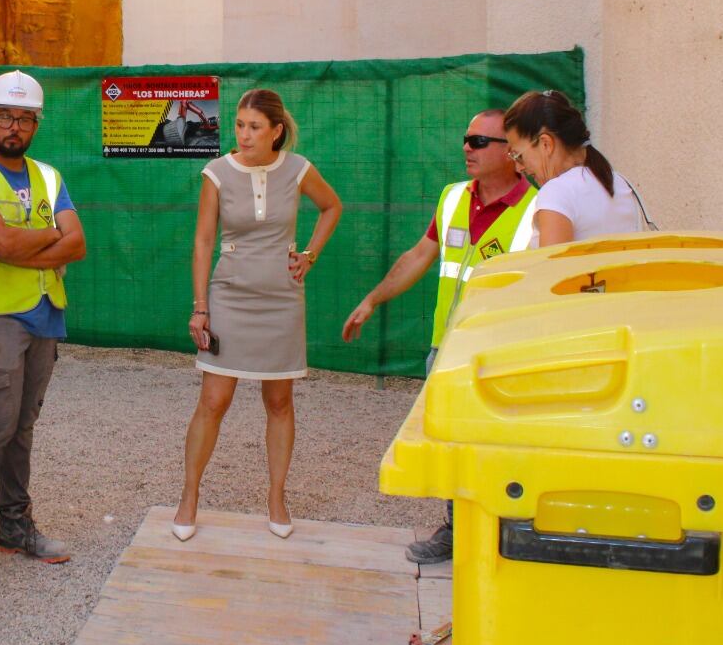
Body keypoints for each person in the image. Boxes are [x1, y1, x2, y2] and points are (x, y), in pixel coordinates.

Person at [405, 88, 643, 645]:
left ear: (544, 142)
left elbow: (549, 296)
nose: (517, 166)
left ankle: (485, 627)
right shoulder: (619, 186)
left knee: (507, 498)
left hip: (553, 376)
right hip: (607, 372)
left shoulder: (557, 195)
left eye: (518, 152)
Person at [341, 110, 535, 567]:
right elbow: (419, 255)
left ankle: (504, 536)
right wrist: (372, 299)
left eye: (479, 141)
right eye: (465, 138)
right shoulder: (452, 199)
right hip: (445, 350)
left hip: (501, 355)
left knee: (500, 448)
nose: (467, 147)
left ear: (512, 152)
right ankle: (458, 530)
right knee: (450, 446)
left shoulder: (537, 211)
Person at [172, 89, 343, 541]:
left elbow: (332, 207)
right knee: (213, 401)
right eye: (239, 125)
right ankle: (189, 496)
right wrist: (200, 307)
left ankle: (276, 496)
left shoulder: (298, 168)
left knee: (280, 402)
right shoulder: (216, 173)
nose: (243, 134)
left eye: (254, 127)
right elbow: (203, 243)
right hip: (229, 296)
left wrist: (310, 254)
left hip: (283, 300)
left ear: (276, 131)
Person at [0, 70, 87, 583]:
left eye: (26, 118)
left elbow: (79, 244)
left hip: (45, 312)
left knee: (21, 426)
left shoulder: (48, 176)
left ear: (36, 123)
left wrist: (22, 244)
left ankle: (16, 525)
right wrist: (46, 239)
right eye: (6, 116)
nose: (15, 127)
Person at [503, 89, 644, 249]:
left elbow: (554, 270)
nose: (519, 167)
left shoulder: (556, 191)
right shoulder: (619, 182)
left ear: (545, 144)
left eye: (518, 156)